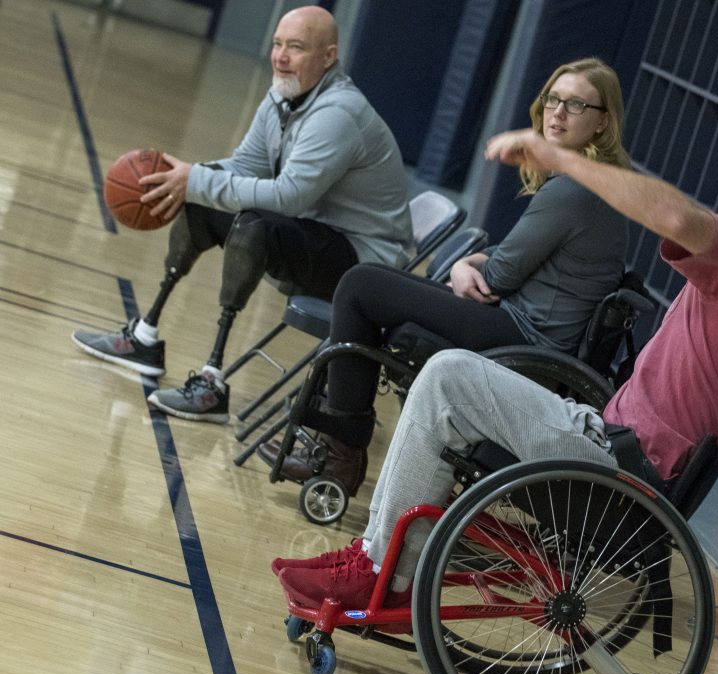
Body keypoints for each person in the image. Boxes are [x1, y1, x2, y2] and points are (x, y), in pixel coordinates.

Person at [272, 125, 718, 610]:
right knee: (462, 382)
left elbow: (677, 213)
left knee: (448, 374)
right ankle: (388, 551)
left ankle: (379, 568)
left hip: (615, 467)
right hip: (648, 495)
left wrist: (560, 156)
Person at [257, 57, 632, 493]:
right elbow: (513, 256)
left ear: (603, 123)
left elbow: (502, 273)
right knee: (367, 281)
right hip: (523, 325)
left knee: (361, 287)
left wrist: (472, 268)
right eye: (553, 99)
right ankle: (338, 445)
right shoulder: (589, 181)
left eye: (576, 106)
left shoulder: (574, 189)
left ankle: (341, 452)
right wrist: (464, 264)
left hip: (527, 341)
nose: (558, 113)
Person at [71, 5, 414, 424]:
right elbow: (245, 166)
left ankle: (213, 382)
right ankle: (146, 335)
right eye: (277, 44)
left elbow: (288, 197)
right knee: (203, 199)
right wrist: (186, 178)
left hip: (365, 265)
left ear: (328, 57)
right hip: (317, 233)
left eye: (296, 48)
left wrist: (196, 179)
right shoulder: (283, 96)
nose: (281, 57)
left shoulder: (338, 115)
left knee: (255, 223)